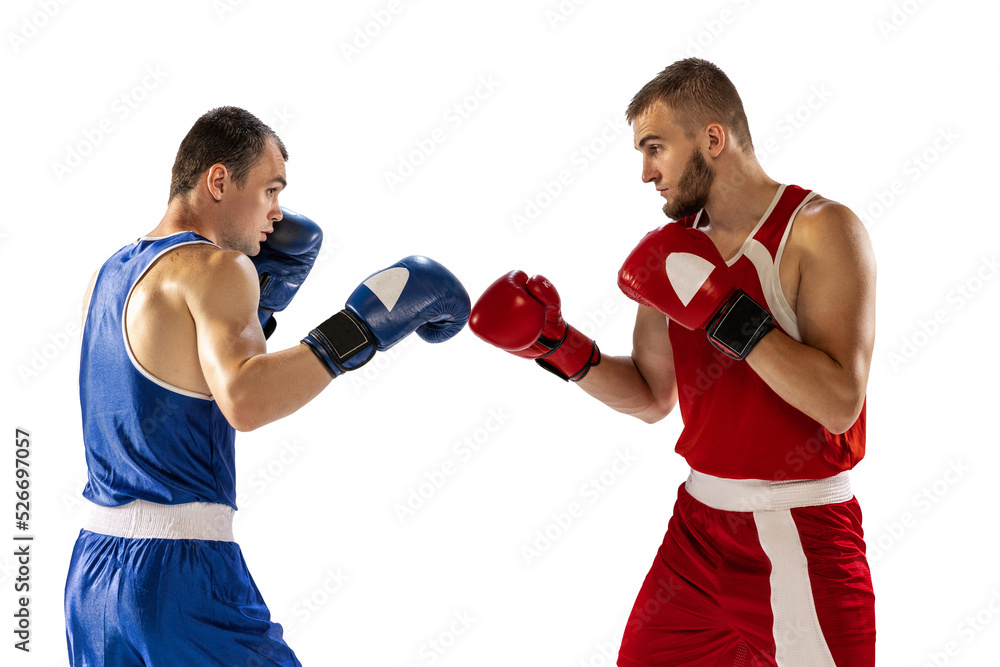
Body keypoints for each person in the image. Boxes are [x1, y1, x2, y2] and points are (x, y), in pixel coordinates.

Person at [469, 59, 876, 666]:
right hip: (697, 528)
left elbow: (839, 403)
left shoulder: (819, 230)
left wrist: (723, 311)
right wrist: (557, 345)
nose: (644, 173)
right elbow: (653, 398)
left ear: (713, 138)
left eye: (654, 148)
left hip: (797, 524)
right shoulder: (675, 250)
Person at [64, 106, 471, 666]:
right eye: (270, 190)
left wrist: (263, 317)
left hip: (91, 575)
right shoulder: (220, 268)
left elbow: (166, 389)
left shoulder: (109, 274)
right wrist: (362, 327)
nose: (277, 215)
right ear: (218, 180)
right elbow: (245, 399)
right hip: (182, 575)